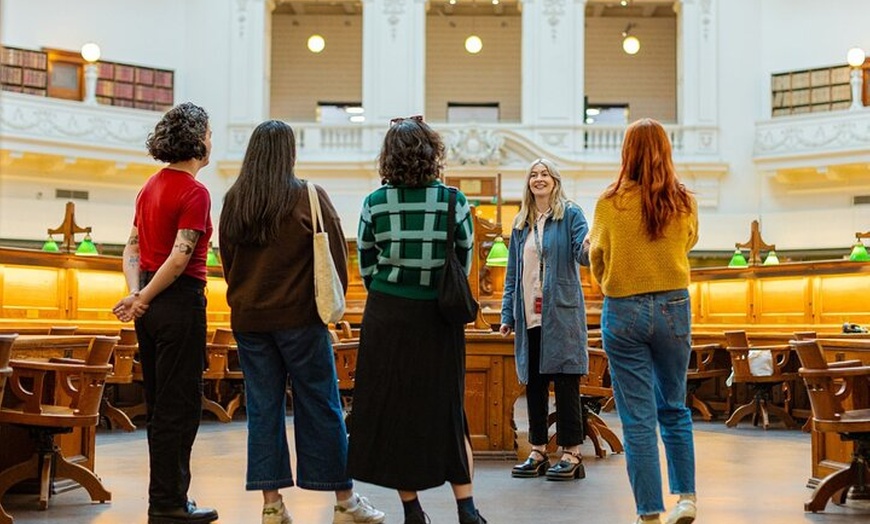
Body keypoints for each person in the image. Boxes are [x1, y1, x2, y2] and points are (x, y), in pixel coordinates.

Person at [218, 120, 385, 524]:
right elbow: (337, 265)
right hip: (302, 321)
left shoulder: (235, 199)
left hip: (250, 321)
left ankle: (271, 506)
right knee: (321, 406)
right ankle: (345, 503)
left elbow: (227, 261)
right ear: (290, 153)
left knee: (262, 410)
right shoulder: (308, 196)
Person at [347, 115, 486, 524]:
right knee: (447, 409)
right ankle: (467, 509)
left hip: (388, 317)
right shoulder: (453, 201)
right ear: (432, 154)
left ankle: (412, 510)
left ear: (389, 158)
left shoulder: (374, 203)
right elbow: (462, 261)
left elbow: (367, 266)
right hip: (438, 319)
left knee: (394, 413)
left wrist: (394, 287)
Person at [588, 118, 699, 524]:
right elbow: (689, 241)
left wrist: (610, 279)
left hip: (623, 310)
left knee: (637, 418)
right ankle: (686, 499)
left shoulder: (609, 203)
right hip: (674, 306)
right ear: (666, 151)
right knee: (674, 407)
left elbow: (597, 257)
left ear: (626, 152)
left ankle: (649, 513)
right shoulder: (684, 201)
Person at [112, 102, 218, 524]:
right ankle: (171, 503)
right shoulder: (195, 192)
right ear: (196, 140)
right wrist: (144, 296)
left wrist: (137, 295)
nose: (211, 141)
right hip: (179, 302)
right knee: (181, 405)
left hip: (151, 307)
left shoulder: (148, 187)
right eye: (208, 133)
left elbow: (132, 248)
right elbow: (180, 258)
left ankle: (165, 498)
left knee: (159, 405)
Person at [498, 158, 590, 481]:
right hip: (529, 315)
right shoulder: (521, 222)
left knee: (565, 381)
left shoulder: (571, 215)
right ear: (528, 183)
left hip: (561, 313)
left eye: (544, 174)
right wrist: (507, 313)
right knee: (534, 384)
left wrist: (595, 245)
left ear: (555, 181)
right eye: (534, 175)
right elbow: (512, 274)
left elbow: (583, 253)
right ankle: (537, 450)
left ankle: (571, 453)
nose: (539, 179)